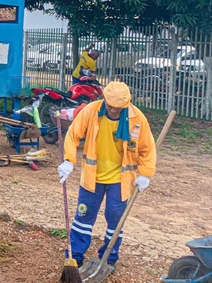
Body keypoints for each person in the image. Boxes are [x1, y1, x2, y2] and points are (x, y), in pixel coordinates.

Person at [57, 81, 157, 269]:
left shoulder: (137, 118)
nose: (113, 110)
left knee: (115, 219)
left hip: (120, 179)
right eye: (110, 106)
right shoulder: (91, 111)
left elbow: (147, 148)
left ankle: (108, 259)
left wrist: (145, 173)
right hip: (92, 177)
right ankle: (75, 255)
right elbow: (72, 134)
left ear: (126, 104)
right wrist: (69, 160)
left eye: (118, 108)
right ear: (104, 100)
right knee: (83, 216)